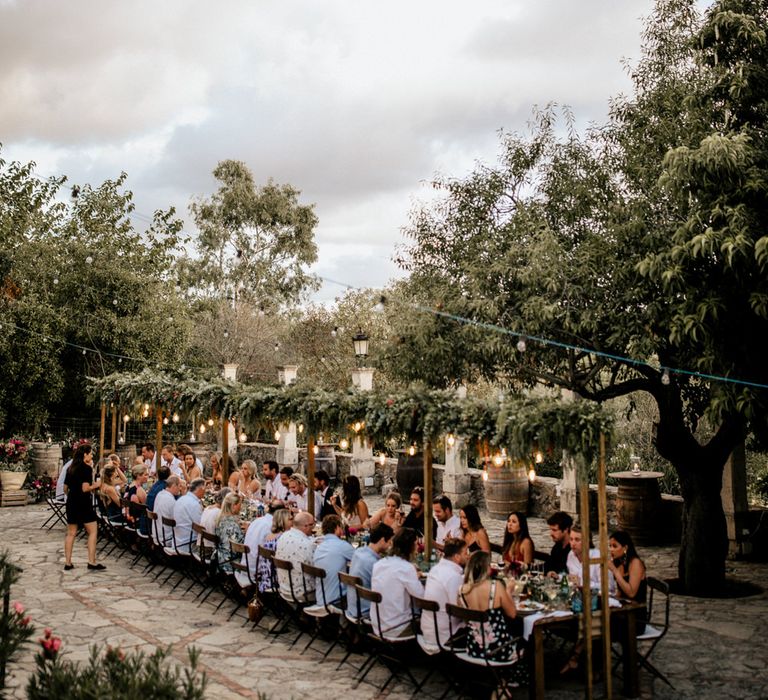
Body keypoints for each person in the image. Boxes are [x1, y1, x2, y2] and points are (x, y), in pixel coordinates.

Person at [459, 550, 520, 661]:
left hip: (474, 648)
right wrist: (508, 591)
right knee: (528, 639)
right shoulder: (495, 586)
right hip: (498, 649)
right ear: (486, 568)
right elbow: (512, 614)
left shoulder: (462, 591)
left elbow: (465, 619)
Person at [370, 527, 423, 638]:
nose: (418, 547)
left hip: (377, 624)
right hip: (396, 627)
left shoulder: (379, 564)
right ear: (410, 546)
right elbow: (422, 597)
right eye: (416, 544)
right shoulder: (406, 568)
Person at [421, 537, 469, 651]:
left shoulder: (435, 570)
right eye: (465, 553)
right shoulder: (453, 577)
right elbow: (458, 611)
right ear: (457, 557)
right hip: (445, 635)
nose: (468, 555)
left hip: (429, 630)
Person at [63, 444, 104, 571]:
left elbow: (65, 489)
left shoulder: (70, 468)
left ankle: (68, 562)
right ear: (85, 454)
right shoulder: (86, 469)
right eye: (91, 453)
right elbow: (85, 488)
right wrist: (96, 485)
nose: (92, 456)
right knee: (92, 531)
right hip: (83, 503)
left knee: (71, 533)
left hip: (71, 502)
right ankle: (92, 561)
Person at [348, 523, 394, 618]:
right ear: (382, 540)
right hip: (366, 610)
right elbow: (386, 589)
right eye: (389, 542)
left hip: (353, 606)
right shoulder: (374, 563)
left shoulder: (358, 552)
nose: (390, 545)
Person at [313, 514, 355, 606]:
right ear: (337, 528)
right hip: (336, 600)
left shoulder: (319, 546)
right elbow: (359, 559)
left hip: (321, 597)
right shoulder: (342, 545)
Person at [275, 511, 317, 602]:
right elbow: (316, 568)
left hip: (284, 588)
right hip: (303, 592)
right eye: (312, 525)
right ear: (306, 526)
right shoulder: (308, 545)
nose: (313, 528)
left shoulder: (283, 536)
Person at [254, 508, 293, 592]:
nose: (293, 521)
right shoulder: (283, 538)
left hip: (265, 576)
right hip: (275, 579)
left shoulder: (269, 536)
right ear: (282, 521)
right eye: (290, 519)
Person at [608, 530, 647, 608]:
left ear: (625, 548)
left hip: (636, 608)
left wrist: (614, 570)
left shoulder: (635, 563)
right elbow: (620, 591)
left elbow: (631, 593)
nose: (611, 549)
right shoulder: (619, 562)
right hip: (624, 605)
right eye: (610, 546)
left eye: (615, 546)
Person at [174, 478, 206, 554]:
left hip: (177, 540)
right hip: (187, 544)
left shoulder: (181, 499)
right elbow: (201, 527)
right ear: (201, 489)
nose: (205, 492)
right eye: (205, 489)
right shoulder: (194, 504)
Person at [215, 493, 245, 574]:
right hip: (229, 561)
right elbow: (240, 547)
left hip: (219, 557)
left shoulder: (220, 518)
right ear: (234, 506)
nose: (241, 507)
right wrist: (247, 532)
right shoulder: (233, 525)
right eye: (240, 504)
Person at [566, 523, 601, 589]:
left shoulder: (597, 557)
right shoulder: (571, 555)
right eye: (571, 539)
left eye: (577, 540)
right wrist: (558, 576)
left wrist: (581, 583)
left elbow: (608, 587)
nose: (573, 543)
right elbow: (572, 578)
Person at [152, 475, 182, 546]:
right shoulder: (171, 500)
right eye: (179, 486)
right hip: (166, 538)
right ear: (174, 486)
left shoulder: (160, 494)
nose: (180, 489)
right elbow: (178, 520)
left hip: (156, 534)